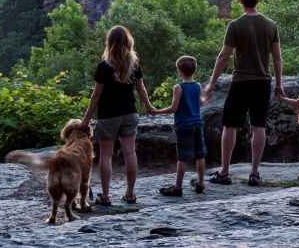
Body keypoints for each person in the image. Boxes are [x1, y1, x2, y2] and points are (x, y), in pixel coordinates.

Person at [203, 0, 282, 186]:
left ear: (240, 0)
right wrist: (279, 84)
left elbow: (223, 57)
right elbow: (277, 58)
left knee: (230, 125)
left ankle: (225, 172)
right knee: (259, 126)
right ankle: (255, 173)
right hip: (263, 82)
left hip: (241, 81)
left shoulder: (235, 25)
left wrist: (211, 83)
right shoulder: (271, 25)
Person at [81, 25, 154, 206]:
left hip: (108, 116)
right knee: (130, 153)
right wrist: (149, 106)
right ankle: (130, 194)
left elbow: (96, 95)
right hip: (130, 113)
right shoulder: (134, 63)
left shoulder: (104, 66)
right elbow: (141, 89)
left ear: (110, 43)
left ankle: (105, 196)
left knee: (106, 156)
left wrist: (86, 120)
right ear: (128, 41)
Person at [150, 55, 207, 196]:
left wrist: (157, 111)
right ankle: (200, 183)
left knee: (182, 157)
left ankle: (178, 187)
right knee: (200, 154)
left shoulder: (178, 87)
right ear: (194, 71)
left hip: (183, 126)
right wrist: (205, 97)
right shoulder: (198, 86)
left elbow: (174, 108)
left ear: (179, 71)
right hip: (197, 123)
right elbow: (201, 103)